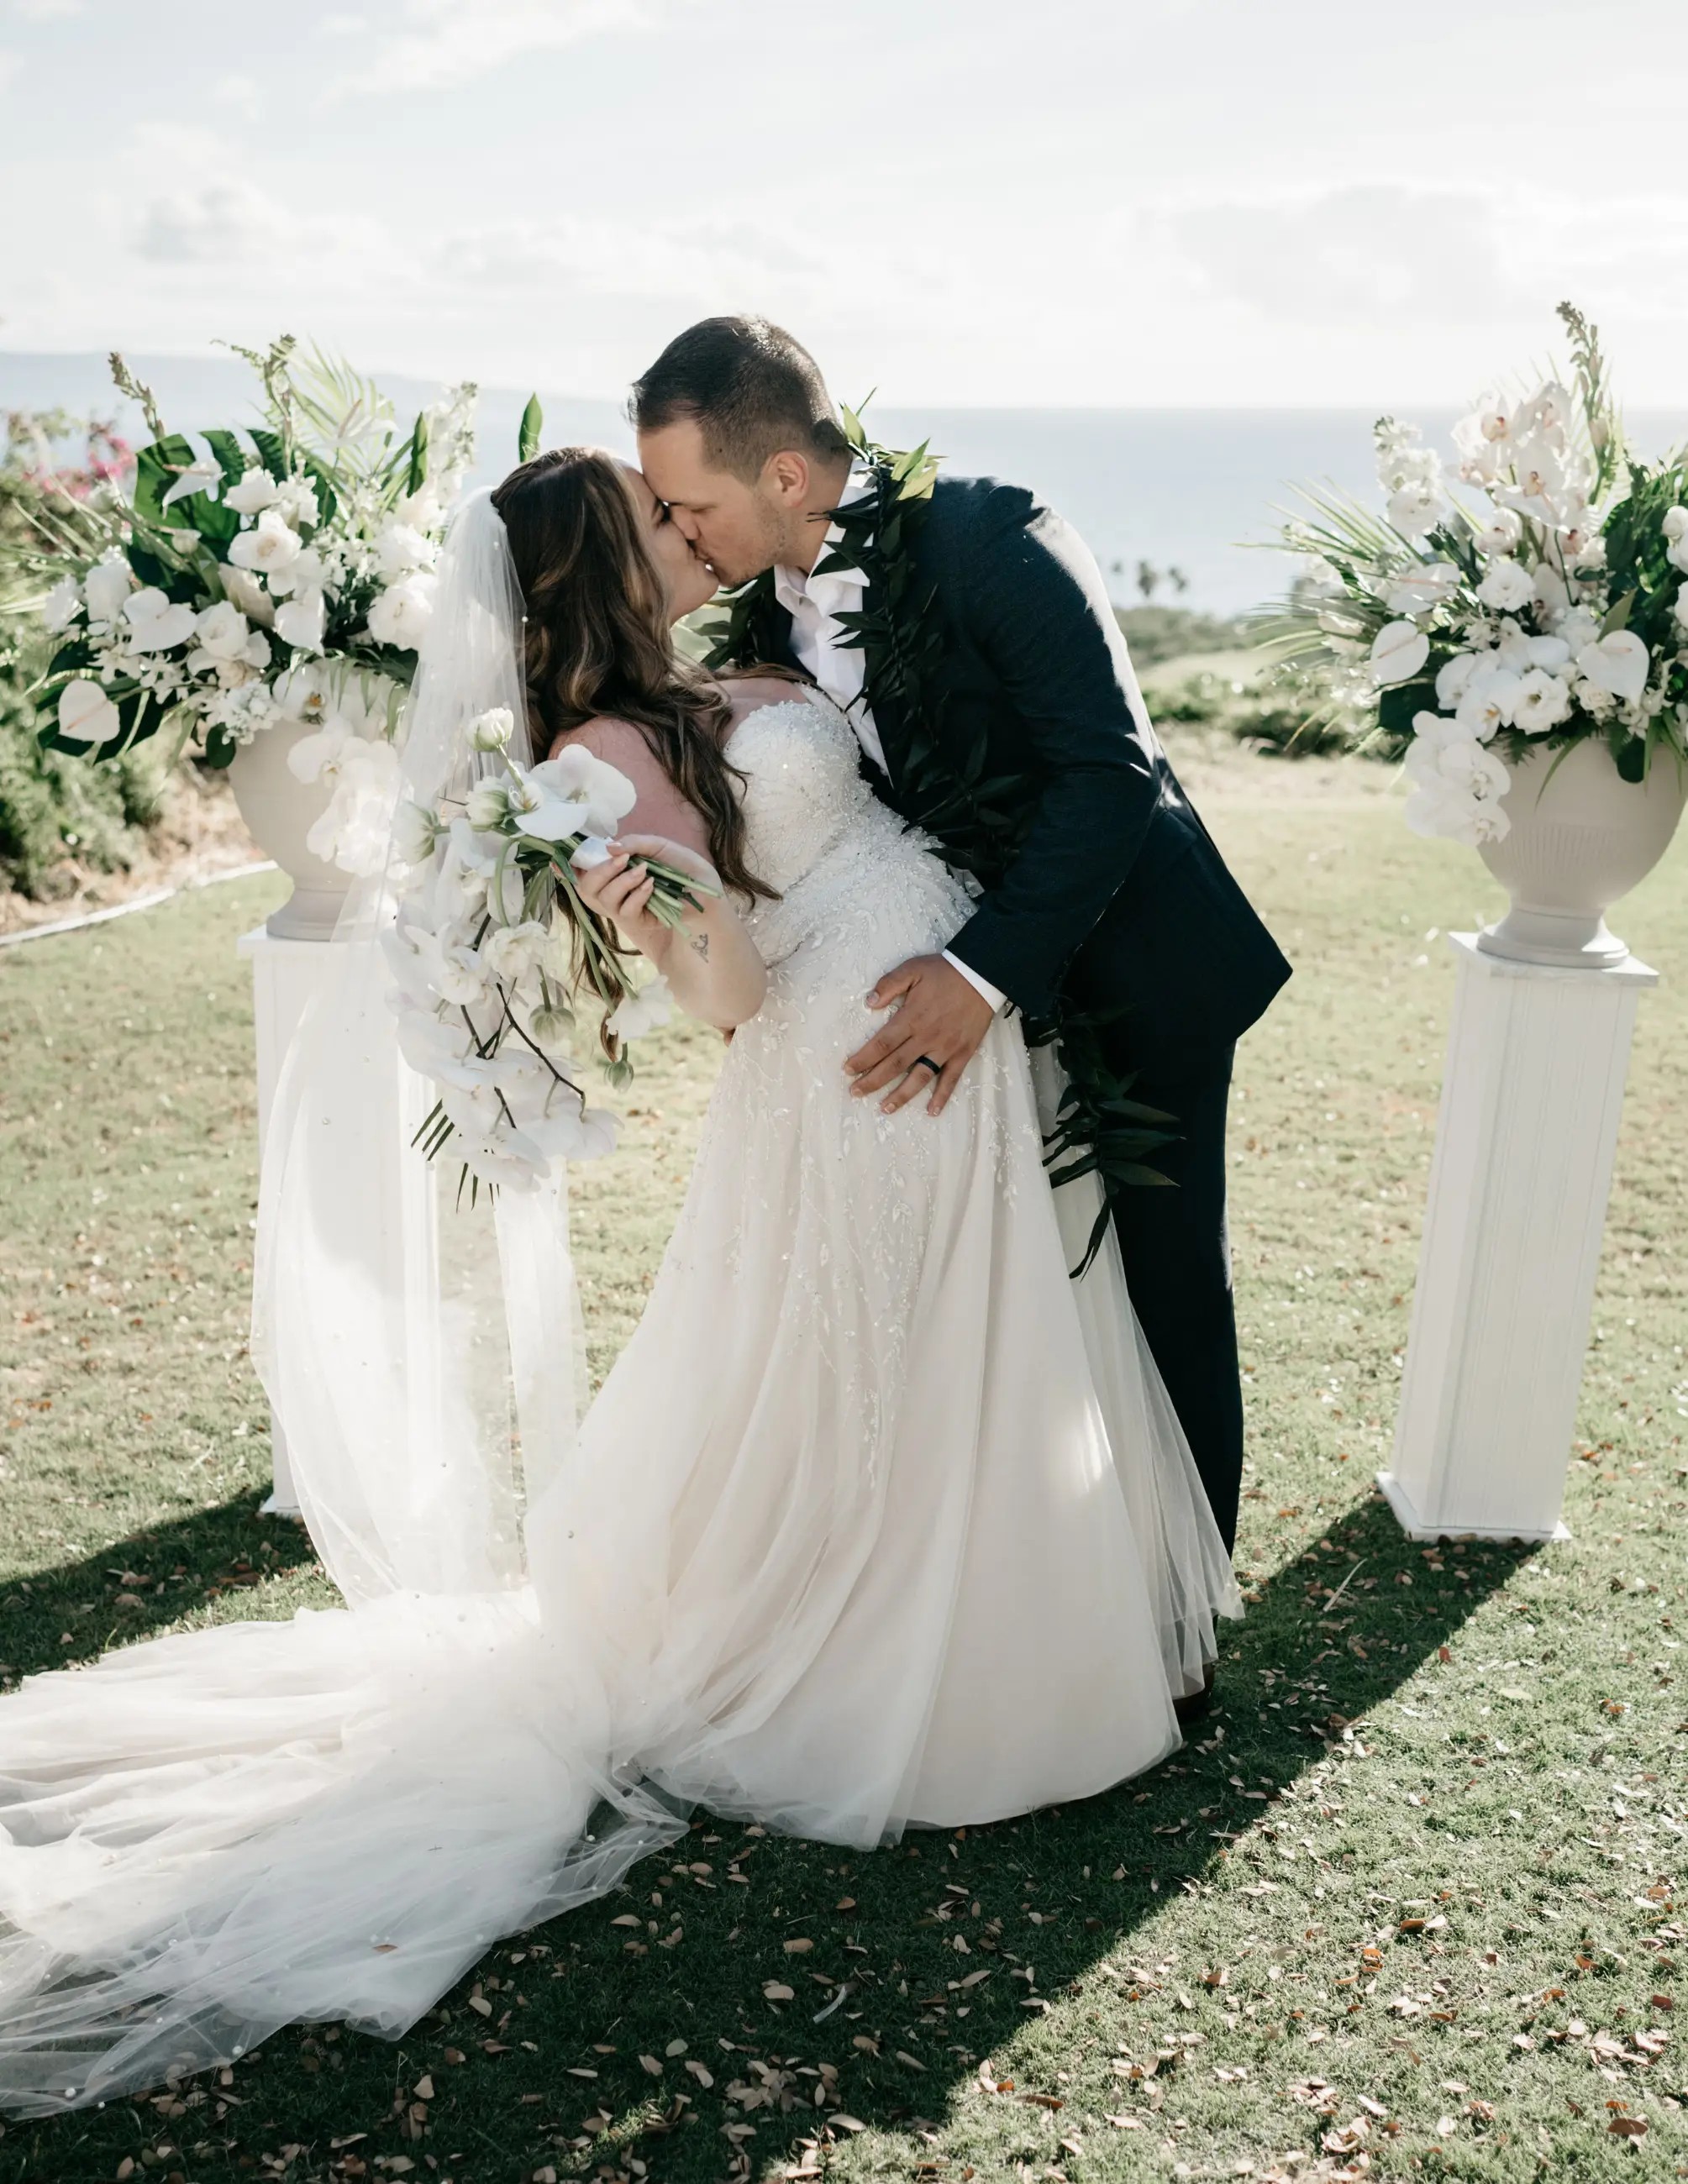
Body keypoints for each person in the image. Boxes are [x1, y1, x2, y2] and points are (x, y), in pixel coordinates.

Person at [0, 449, 1236, 2118]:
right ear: (599, 563)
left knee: (967, 1355)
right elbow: (725, 993)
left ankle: (1006, 1621)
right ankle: (926, 1663)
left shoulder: (714, 668)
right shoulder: (597, 755)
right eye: (658, 519)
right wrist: (655, 898)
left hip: (945, 1021)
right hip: (854, 1070)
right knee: (902, 1368)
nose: (689, 525)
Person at [634, 318, 1291, 1594]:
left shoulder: (987, 535)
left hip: (1133, 965)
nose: (679, 526)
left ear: (781, 476)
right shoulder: (765, 608)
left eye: (690, 500)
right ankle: (1036, 1592)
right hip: (950, 989)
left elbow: (1108, 776)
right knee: (1030, 1294)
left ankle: (1180, 1606)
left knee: (1156, 1270)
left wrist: (985, 972)